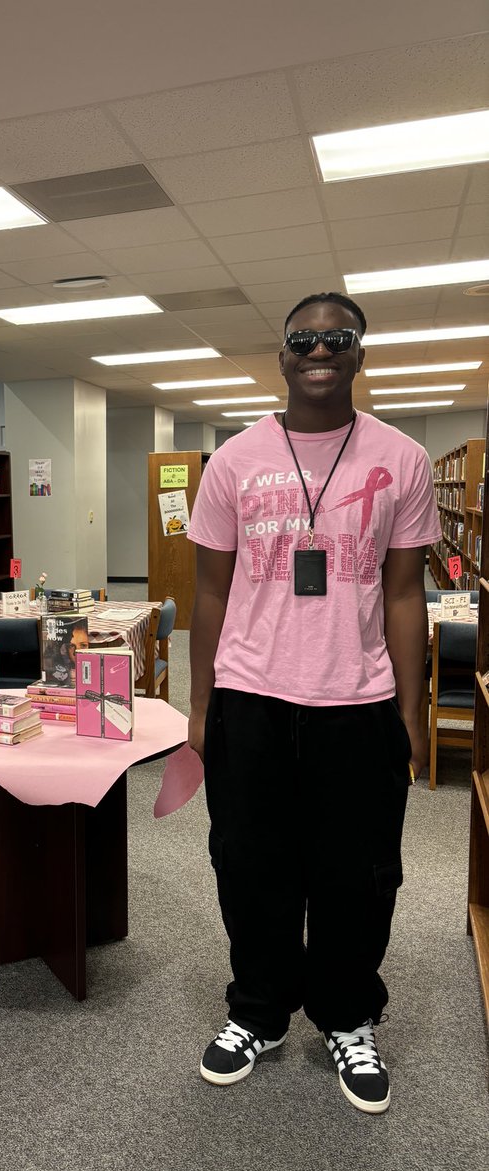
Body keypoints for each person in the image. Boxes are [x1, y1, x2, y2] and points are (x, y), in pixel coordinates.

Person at [187, 291, 441, 1114]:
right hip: (251, 700)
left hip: (357, 700)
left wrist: (410, 710)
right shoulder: (234, 461)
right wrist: (200, 710)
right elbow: (209, 595)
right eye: (304, 339)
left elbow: (405, 597)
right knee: (250, 866)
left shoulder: (401, 458)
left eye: (338, 338)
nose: (320, 350)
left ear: (360, 354)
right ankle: (257, 1012)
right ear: (283, 355)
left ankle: (347, 1016)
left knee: (358, 877)